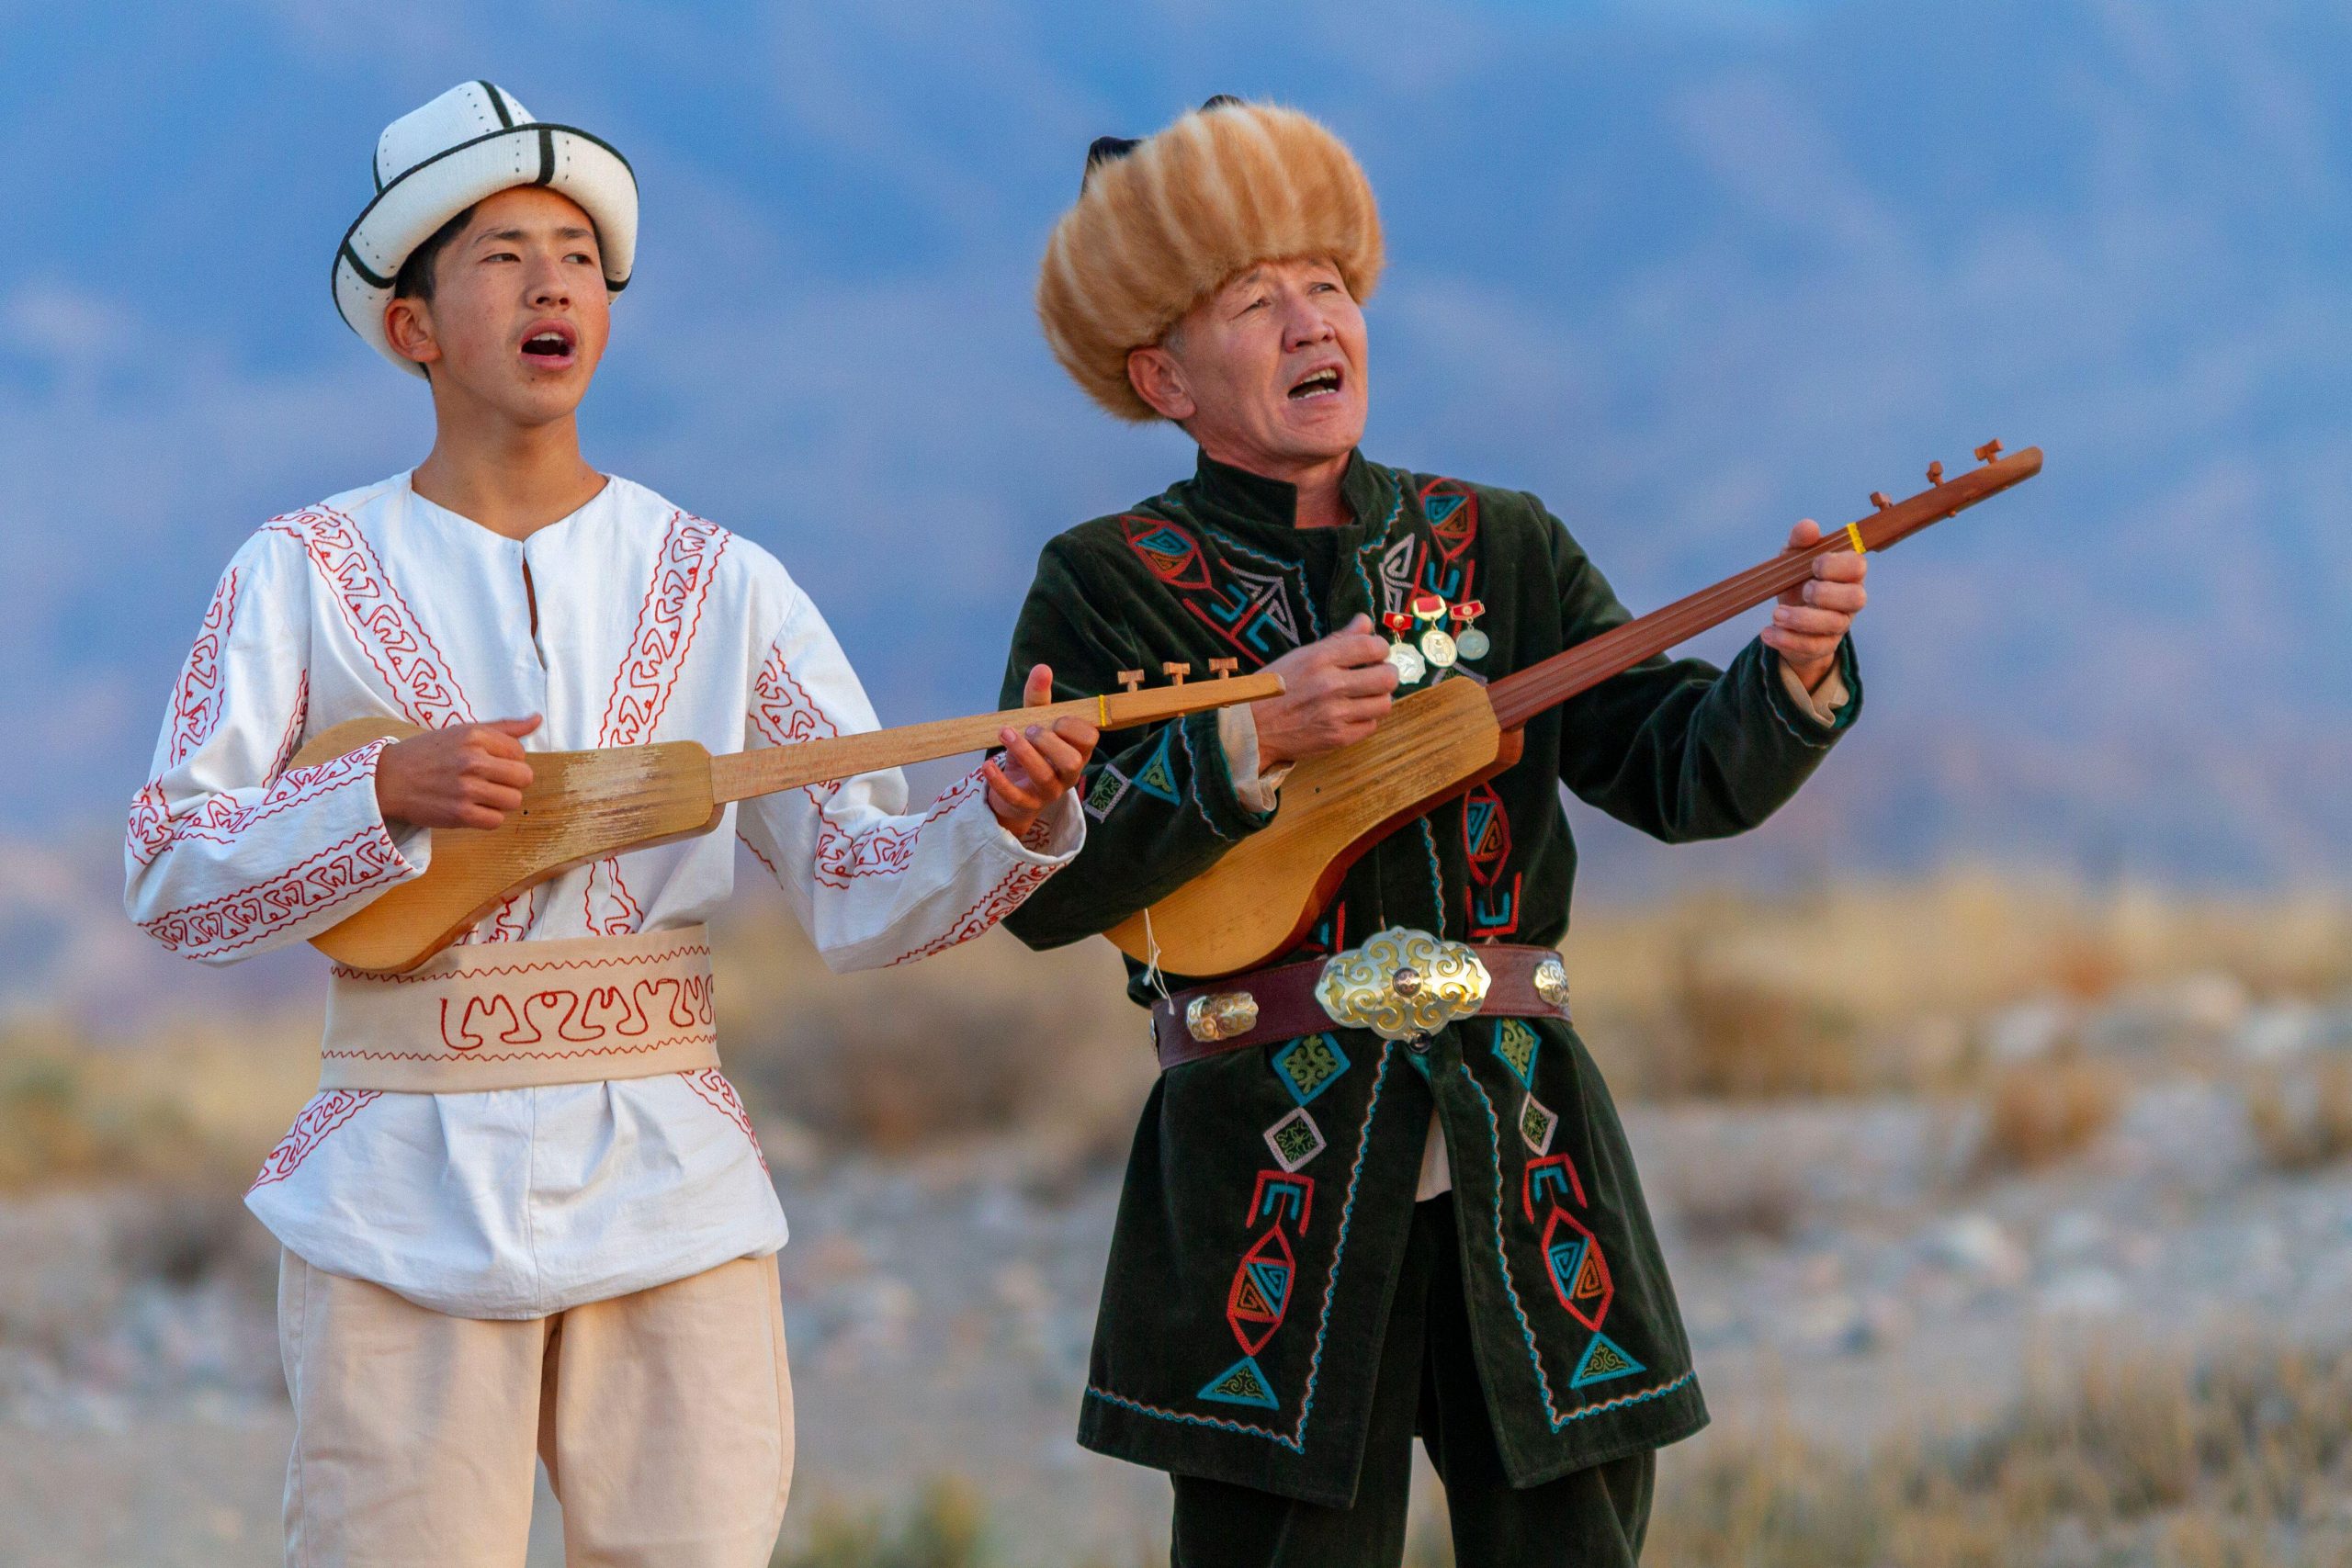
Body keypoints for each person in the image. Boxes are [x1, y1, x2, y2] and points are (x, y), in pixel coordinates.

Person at [123, 81, 1096, 1567]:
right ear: (415, 327)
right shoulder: (297, 570)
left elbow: (858, 878)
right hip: (393, 1183)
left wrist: (1006, 823)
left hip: (674, 1192)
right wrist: (377, 792)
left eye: (577, 253)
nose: (553, 281)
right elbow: (170, 871)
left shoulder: (726, 581)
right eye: (503, 253)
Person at [1001, 97, 1867, 1566]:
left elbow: (1674, 771)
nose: (1307, 321)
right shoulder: (1103, 588)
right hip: (1257, 1172)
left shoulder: (1501, 542)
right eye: (1252, 301)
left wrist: (1790, 673)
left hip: (1521, 1147)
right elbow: (1047, 888)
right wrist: (1248, 740)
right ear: (1162, 375)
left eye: (1326, 287)